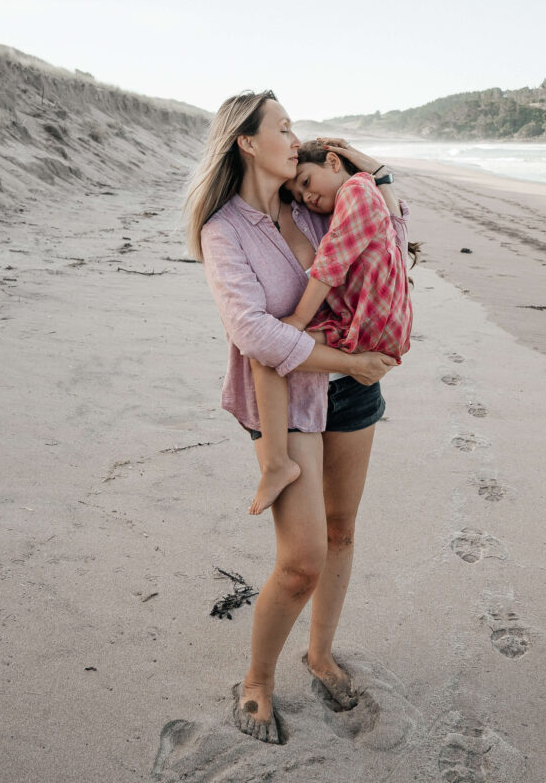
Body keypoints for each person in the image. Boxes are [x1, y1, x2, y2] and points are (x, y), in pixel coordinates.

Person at [183, 90, 411, 744]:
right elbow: (254, 334)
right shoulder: (222, 230)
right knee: (300, 561)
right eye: (281, 128)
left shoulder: (312, 202)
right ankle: (255, 680)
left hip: (351, 392)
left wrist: (373, 173)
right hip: (290, 400)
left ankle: (319, 655)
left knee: (340, 532)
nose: (295, 138)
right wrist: (348, 361)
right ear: (247, 143)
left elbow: (387, 232)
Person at [247, 140, 413, 515]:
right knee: (268, 352)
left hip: (366, 323)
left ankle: (276, 465)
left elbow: (332, 258)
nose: (307, 197)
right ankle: (276, 465)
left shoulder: (356, 190)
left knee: (272, 350)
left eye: (306, 181)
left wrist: (299, 320)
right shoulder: (357, 197)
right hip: (368, 325)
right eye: (299, 196)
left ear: (333, 161)